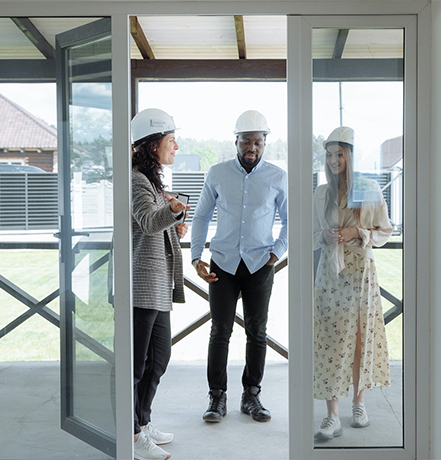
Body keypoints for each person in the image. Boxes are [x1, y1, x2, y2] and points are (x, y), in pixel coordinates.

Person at [190, 110, 288, 423]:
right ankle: (217, 398)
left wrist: (277, 253)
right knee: (220, 331)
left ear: (264, 143)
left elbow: (291, 219)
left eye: (258, 141)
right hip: (223, 264)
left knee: (257, 332)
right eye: (246, 140)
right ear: (236, 141)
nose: (252, 147)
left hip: (260, 264)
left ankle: (252, 396)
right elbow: (202, 216)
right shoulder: (217, 173)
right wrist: (195, 257)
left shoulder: (277, 176)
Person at [312, 126, 392, 440]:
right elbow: (311, 233)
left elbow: (385, 230)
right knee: (330, 340)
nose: (334, 160)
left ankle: (359, 403)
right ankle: (332, 415)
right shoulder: (321, 193)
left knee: (360, 339)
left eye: (339, 153)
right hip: (330, 273)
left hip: (361, 272)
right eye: (329, 154)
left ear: (350, 154)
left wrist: (356, 232)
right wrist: (326, 235)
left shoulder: (368, 189)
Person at [131, 108, 190, 460]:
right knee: (138, 364)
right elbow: (147, 221)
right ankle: (133, 433)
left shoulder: (152, 182)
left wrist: (175, 224)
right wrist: (173, 214)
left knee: (159, 358)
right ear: (153, 146)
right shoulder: (137, 179)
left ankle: (142, 419)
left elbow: (155, 225)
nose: (176, 147)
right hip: (142, 284)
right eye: (171, 141)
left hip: (157, 284)